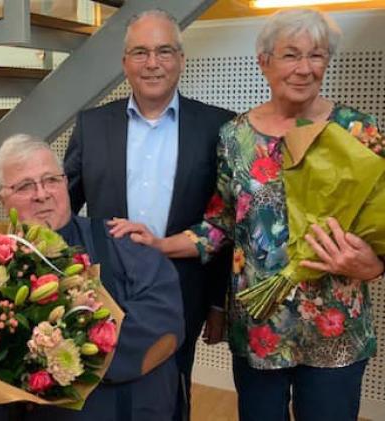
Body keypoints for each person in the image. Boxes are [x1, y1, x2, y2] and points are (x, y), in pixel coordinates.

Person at [110, 9, 384, 421]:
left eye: (317, 56)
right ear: (264, 62)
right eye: (291, 55)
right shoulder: (235, 136)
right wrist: (161, 243)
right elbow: (221, 222)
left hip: (336, 326)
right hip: (259, 330)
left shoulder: (359, 131)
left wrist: (374, 265)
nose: (305, 69)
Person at [0, 134, 185, 421]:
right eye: (25, 186)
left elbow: (165, 318)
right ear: (3, 199)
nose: (41, 194)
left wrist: (59, 350)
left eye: (51, 180)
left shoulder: (120, 241)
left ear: (66, 183)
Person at [63, 8, 235, 419]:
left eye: (164, 51)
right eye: (140, 52)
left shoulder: (218, 127)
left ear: (180, 59)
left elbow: (226, 222)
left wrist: (218, 303)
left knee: (171, 391)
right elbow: (64, 208)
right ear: (124, 63)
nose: (152, 63)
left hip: (184, 290)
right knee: (99, 392)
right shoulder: (92, 124)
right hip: (103, 290)